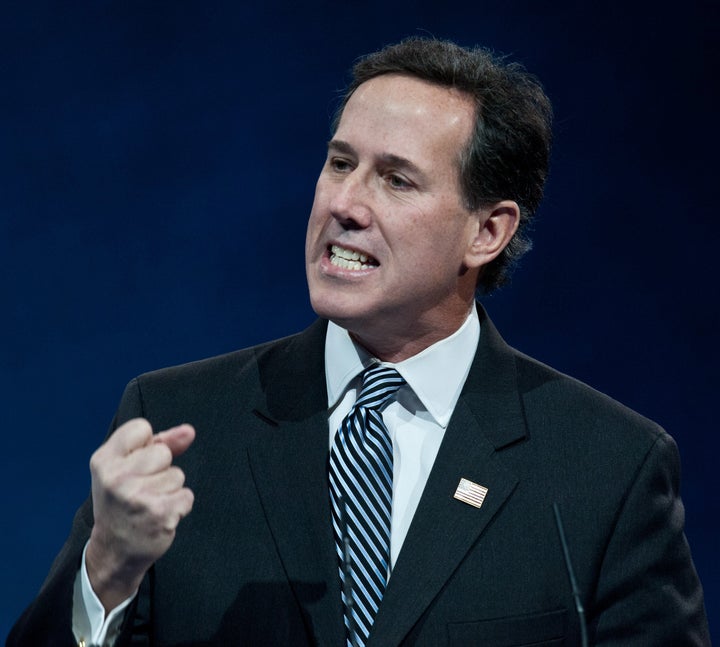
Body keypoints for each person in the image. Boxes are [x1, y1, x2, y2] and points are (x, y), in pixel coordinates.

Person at [8, 37, 710, 647]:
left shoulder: (605, 470)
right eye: (340, 163)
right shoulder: (179, 421)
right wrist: (106, 569)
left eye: (396, 179)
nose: (344, 203)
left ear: (486, 231)